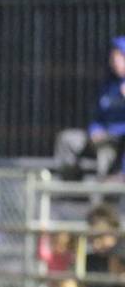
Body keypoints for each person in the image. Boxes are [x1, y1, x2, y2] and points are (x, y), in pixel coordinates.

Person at [54, 37, 125, 180]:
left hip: (116, 141)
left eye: (119, 56)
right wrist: (95, 130)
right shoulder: (108, 86)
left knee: (106, 153)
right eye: (113, 56)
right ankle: (72, 189)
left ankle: (101, 199)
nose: (114, 61)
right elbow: (97, 116)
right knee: (67, 140)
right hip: (98, 137)